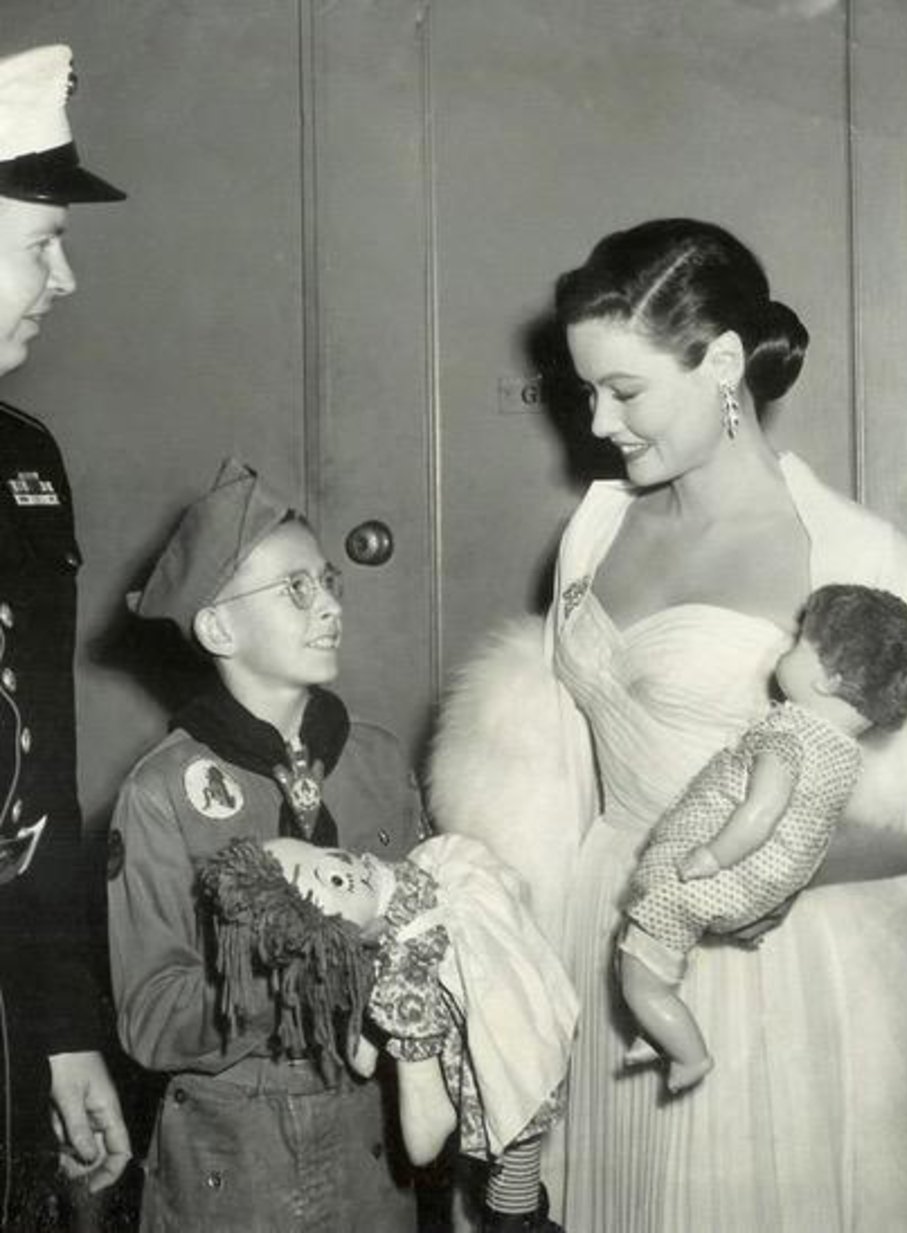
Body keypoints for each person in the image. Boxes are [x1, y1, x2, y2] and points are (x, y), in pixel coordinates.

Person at [427, 218, 907, 1232]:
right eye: (587, 391)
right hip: (602, 940)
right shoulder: (593, 526)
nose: (598, 423)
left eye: (625, 390)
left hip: (769, 980)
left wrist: (775, 867)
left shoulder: (850, 551)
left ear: (723, 363)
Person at [107, 459, 421, 1232]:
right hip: (231, 1148)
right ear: (218, 627)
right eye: (294, 589)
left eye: (327, 582)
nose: (328, 607)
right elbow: (149, 1016)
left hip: (371, 1134)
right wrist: (293, 969)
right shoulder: (162, 791)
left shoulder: (378, 759)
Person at [619, 584, 907, 1094]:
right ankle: (658, 1027)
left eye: (798, 644)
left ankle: (685, 1051)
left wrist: (710, 855)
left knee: (638, 967)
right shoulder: (842, 753)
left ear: (829, 680)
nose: (783, 650)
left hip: (723, 871)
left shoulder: (787, 739)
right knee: (662, 958)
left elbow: (761, 812)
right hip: (764, 885)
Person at [0, 42, 131, 1228]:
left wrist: (63, 1034)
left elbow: (36, 785)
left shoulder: (23, 462)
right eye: (41, 244)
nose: (66, 280)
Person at [200, 829, 578, 1232]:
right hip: (491, 1050)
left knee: (510, 1192)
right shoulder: (396, 915)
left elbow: (425, 1137)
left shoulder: (403, 972)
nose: (346, 864)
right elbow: (370, 1065)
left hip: (506, 1058)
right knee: (494, 1181)